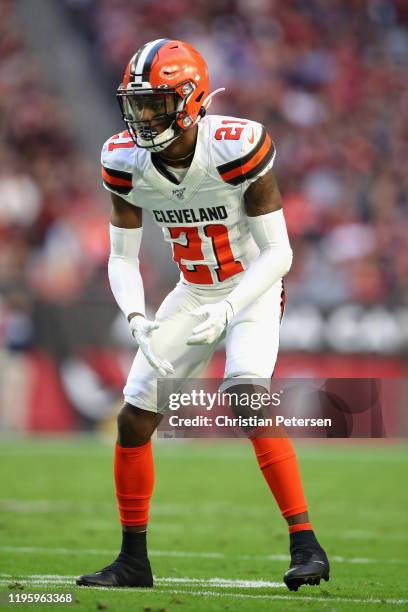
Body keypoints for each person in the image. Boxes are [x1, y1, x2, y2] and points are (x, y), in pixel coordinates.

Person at [76, 38, 329, 592]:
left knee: (245, 394)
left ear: (190, 101)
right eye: (136, 104)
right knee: (133, 417)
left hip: (252, 287)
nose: (142, 117)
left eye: (155, 104)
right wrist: (137, 315)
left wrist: (232, 308)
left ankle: (305, 543)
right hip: (193, 292)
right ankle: (133, 562)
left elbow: (279, 254)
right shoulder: (123, 159)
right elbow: (121, 255)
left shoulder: (237, 146)